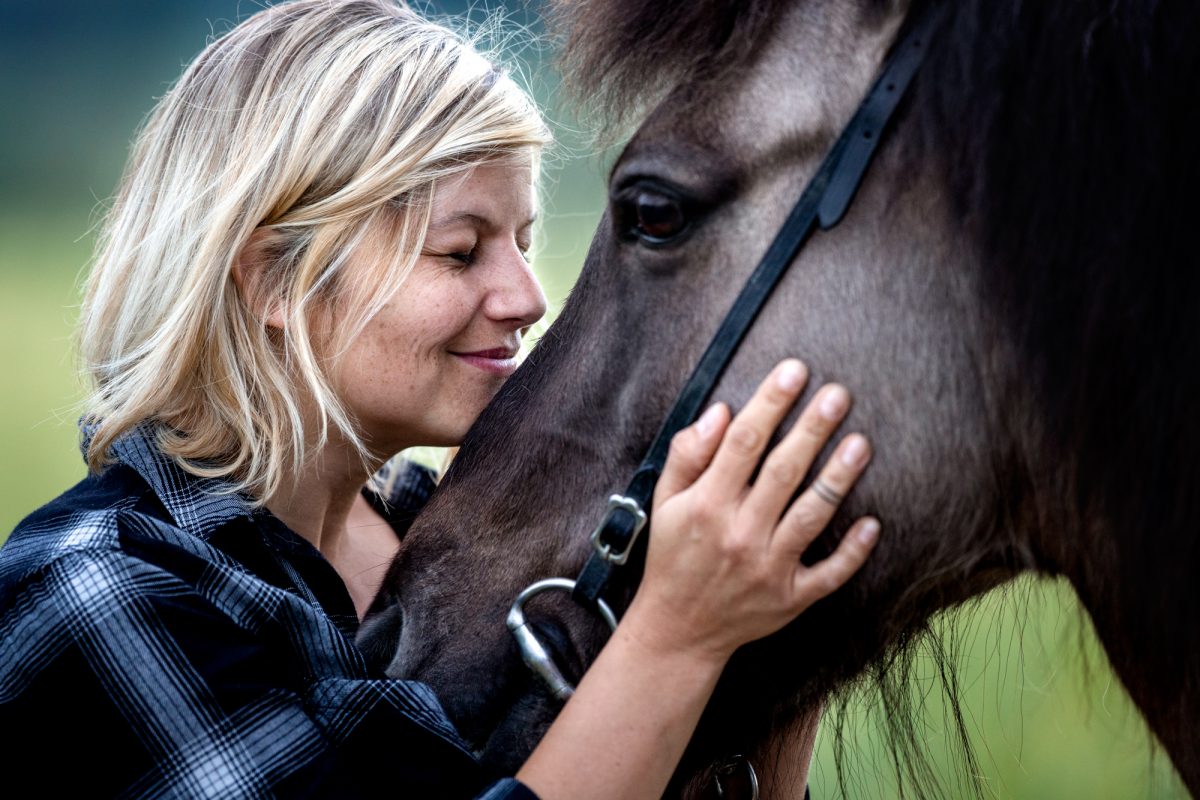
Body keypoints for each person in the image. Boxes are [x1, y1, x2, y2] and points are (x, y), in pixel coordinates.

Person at [0, 2, 880, 797]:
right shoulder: (104, 590)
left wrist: (772, 628)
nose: (528, 298)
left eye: (523, 242)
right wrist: (677, 640)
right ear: (273, 279)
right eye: (461, 252)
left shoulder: (449, 534)